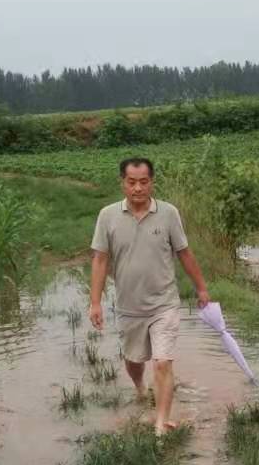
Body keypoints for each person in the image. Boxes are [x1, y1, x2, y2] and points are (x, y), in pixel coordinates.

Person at [88, 157, 210, 436]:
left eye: (144, 182)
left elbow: (184, 253)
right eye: (132, 182)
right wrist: (95, 302)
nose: (138, 188)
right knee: (134, 360)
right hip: (129, 306)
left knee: (163, 361)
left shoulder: (168, 213)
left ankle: (161, 423)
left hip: (164, 304)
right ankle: (140, 387)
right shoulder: (107, 215)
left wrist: (201, 288)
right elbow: (100, 259)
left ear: (152, 182)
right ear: (123, 183)